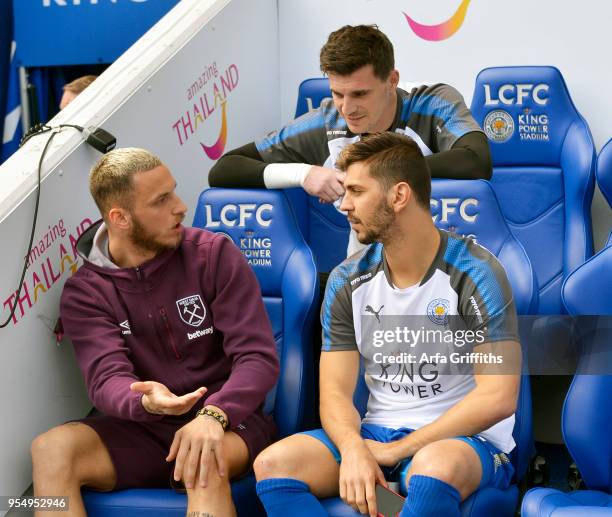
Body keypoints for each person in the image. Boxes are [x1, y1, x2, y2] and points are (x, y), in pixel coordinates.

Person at [253, 133, 520, 517]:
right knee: (273, 465)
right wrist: (353, 449)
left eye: (357, 191)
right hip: (375, 433)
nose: (343, 205)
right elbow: (334, 395)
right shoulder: (347, 280)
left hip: (463, 440)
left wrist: (396, 451)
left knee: (433, 468)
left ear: (398, 196)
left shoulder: (477, 273)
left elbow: (498, 396)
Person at [31, 148, 279, 517]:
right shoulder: (86, 291)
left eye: (174, 192)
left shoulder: (212, 253)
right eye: (161, 201)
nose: (180, 207)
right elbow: (106, 380)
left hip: (229, 420)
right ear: (120, 218)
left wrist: (214, 415)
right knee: (51, 449)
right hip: (145, 429)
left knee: (202, 458)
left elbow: (257, 358)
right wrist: (144, 401)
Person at [208, 24, 492, 260]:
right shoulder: (326, 121)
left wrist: (374, 175)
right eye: (337, 94)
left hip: (446, 262)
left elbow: (476, 160)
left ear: (392, 80)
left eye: (360, 94)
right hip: (367, 274)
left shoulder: (433, 102)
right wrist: (303, 174)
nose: (347, 108)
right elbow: (225, 169)